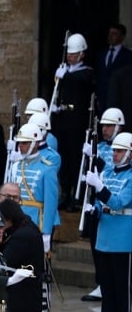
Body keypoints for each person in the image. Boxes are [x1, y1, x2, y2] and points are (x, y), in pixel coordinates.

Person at [83, 131, 132, 312]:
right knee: (107, 282)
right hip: (104, 232)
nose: (115, 154)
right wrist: (94, 209)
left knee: (121, 284)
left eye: (120, 151)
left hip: (123, 234)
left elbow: (119, 202)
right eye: (114, 150)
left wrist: (100, 188)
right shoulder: (109, 172)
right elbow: (102, 203)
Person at [51, 33, 95, 210]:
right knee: (63, 159)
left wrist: (66, 76)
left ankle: (76, 197)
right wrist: (55, 106)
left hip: (77, 122)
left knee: (75, 159)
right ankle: (65, 193)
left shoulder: (86, 72)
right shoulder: (64, 70)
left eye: (73, 54)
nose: (70, 57)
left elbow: (83, 80)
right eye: (68, 54)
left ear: (82, 54)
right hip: (63, 120)